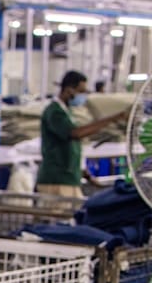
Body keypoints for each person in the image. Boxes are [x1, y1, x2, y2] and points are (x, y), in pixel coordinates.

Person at [36, 70, 128, 199]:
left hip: (69, 179)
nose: (83, 96)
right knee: (59, 216)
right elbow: (75, 134)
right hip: (57, 180)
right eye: (81, 91)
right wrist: (113, 118)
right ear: (69, 90)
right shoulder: (55, 112)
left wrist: (87, 176)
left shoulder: (67, 113)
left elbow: (71, 150)